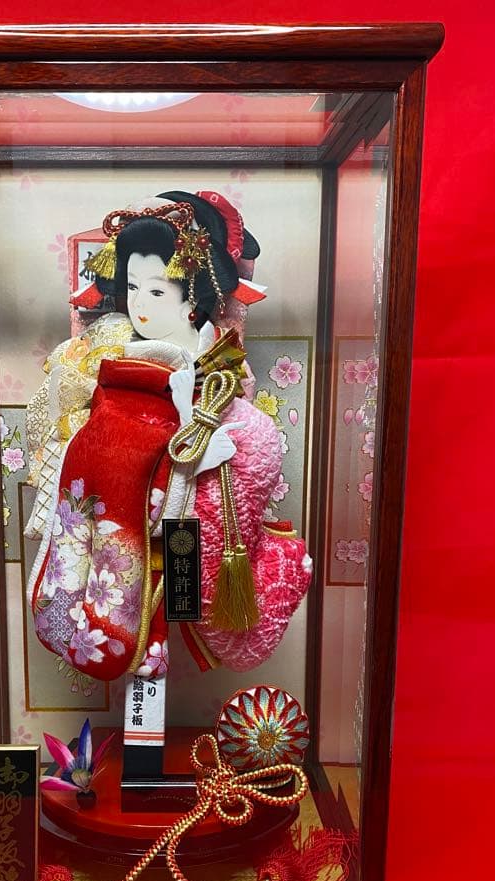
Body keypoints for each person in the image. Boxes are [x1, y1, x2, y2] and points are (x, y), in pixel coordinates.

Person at [24, 190, 312, 684]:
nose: (138, 304)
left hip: (185, 531)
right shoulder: (111, 360)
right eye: (133, 287)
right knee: (136, 624)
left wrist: (197, 453)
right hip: (136, 522)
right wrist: (183, 461)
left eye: (157, 292)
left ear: (192, 302)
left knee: (172, 605)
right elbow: (99, 447)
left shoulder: (218, 368)